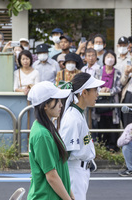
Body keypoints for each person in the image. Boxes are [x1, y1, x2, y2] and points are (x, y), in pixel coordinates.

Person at [59, 72, 105, 200]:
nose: (98, 94)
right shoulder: (72, 118)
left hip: (80, 171)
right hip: (73, 173)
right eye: (95, 90)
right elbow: (64, 154)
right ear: (84, 93)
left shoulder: (78, 113)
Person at [26, 81, 74, 200]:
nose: (60, 105)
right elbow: (51, 176)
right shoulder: (42, 134)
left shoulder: (46, 127)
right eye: (56, 100)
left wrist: (70, 195)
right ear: (45, 105)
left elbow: (58, 170)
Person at [93, 50, 122, 151]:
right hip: (100, 102)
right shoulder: (98, 71)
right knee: (101, 124)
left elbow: (119, 87)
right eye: (107, 57)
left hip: (112, 102)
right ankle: (102, 146)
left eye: (112, 57)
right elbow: (94, 84)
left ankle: (112, 146)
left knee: (113, 125)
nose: (110, 59)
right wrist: (101, 90)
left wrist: (110, 90)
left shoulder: (117, 72)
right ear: (104, 59)